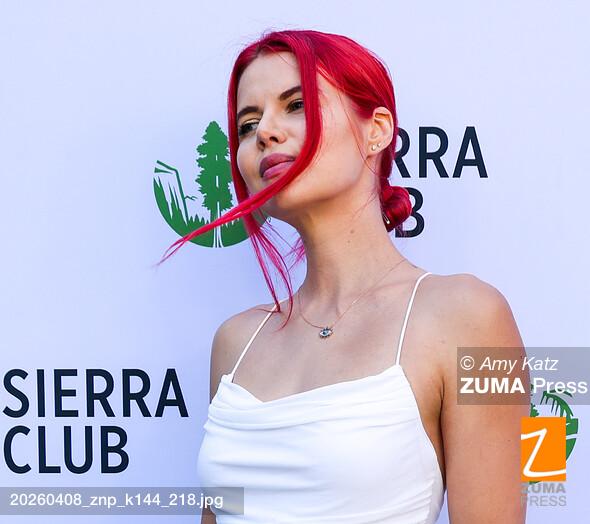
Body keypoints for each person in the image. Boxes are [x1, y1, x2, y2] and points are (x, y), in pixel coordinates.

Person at [161, 29, 528, 523]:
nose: (265, 132)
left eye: (296, 105)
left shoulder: (470, 316)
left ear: (377, 130)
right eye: (247, 125)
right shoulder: (236, 341)